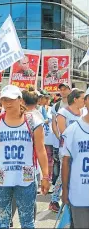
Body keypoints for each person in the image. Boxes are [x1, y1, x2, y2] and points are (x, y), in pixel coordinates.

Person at [0, 85, 50, 229]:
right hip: (2, 177)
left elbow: (41, 151)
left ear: (20, 100)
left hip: (26, 177)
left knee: (27, 222)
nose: (7, 103)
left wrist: (45, 177)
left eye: (11, 99)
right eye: (4, 100)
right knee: (2, 221)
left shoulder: (33, 121)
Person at [50, 88, 85, 212]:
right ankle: (54, 199)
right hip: (66, 150)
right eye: (82, 98)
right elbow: (63, 132)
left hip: (82, 150)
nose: (85, 100)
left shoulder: (84, 112)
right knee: (63, 174)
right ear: (75, 99)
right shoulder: (63, 112)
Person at [61, 87, 89, 228]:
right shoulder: (73, 129)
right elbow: (66, 162)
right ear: (85, 101)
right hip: (79, 193)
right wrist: (65, 189)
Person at [50, 83, 70, 197]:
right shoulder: (56, 106)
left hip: (74, 145)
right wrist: (60, 138)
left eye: (65, 89)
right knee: (62, 170)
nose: (63, 92)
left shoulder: (75, 105)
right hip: (61, 144)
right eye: (61, 90)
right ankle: (55, 198)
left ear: (69, 90)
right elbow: (54, 124)